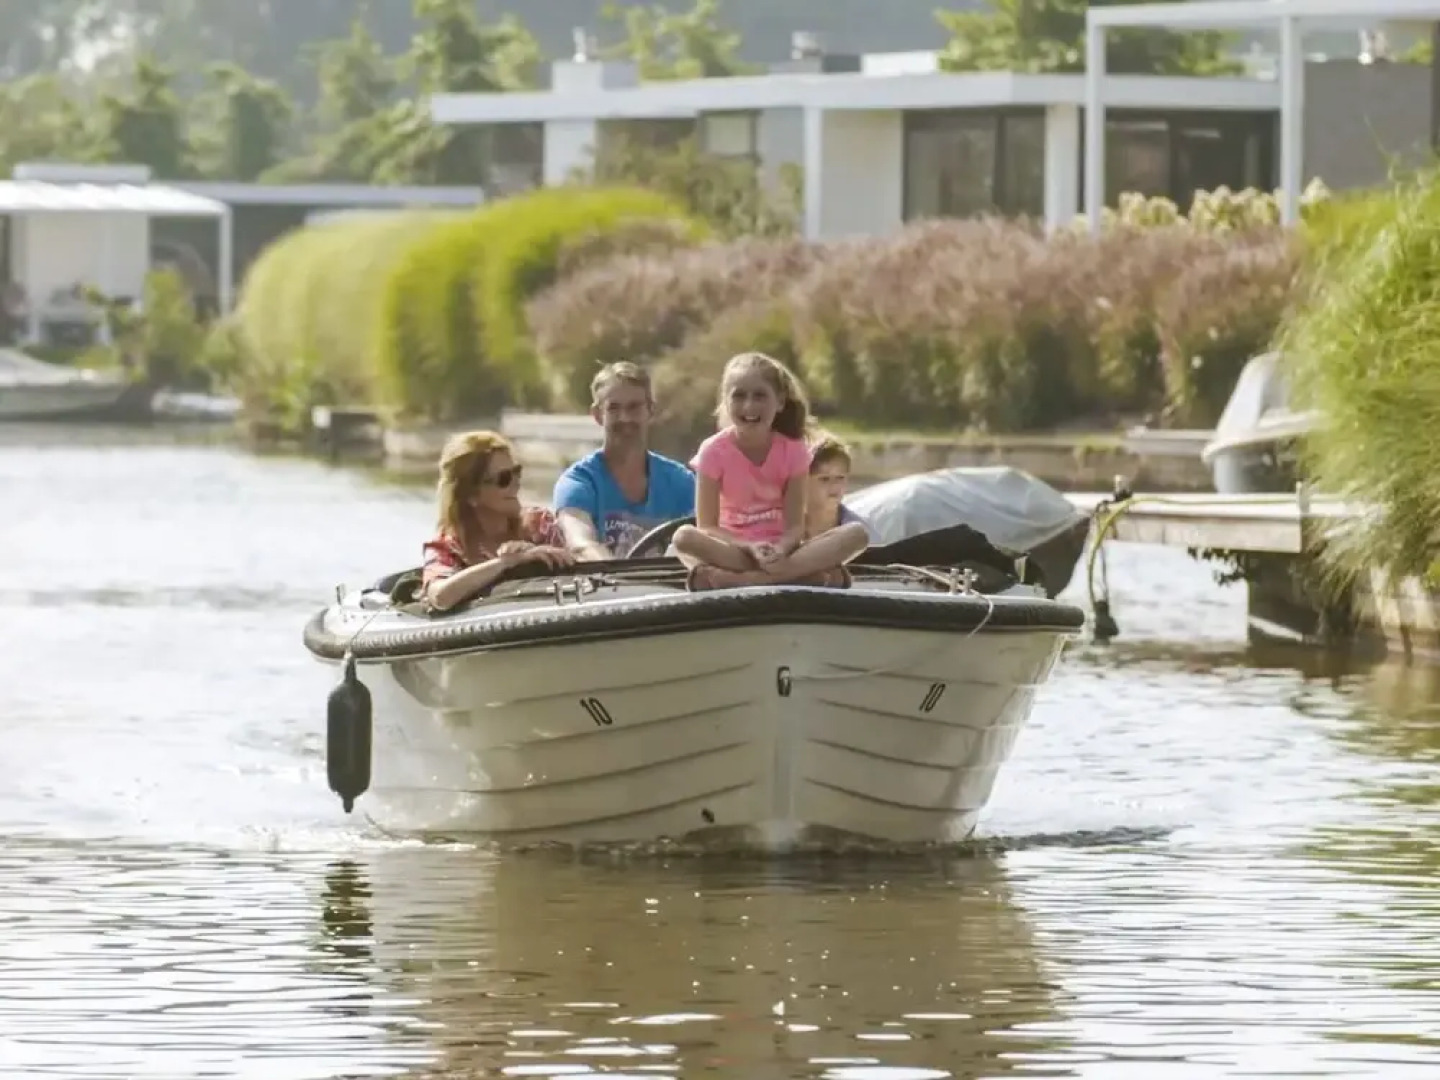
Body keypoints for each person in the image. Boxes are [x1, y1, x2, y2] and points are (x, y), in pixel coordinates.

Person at [671, 352, 869, 590]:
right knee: (683, 538)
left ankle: (751, 580)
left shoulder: (794, 451)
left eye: (760, 396)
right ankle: (802, 578)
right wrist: (748, 546)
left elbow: (795, 527)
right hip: (735, 552)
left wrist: (780, 551)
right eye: (739, 396)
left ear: (780, 402)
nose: (749, 406)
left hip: (784, 554)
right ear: (726, 401)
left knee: (857, 534)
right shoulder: (712, 452)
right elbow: (708, 527)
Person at [552, 361, 697, 560]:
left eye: (634, 408)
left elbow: (705, 537)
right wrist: (617, 577)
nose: (625, 418)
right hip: (608, 586)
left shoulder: (682, 481)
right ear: (597, 415)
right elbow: (582, 545)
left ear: (650, 410)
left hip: (671, 588)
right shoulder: (578, 482)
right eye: (614, 408)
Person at [422, 430, 575, 612]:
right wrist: (505, 563)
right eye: (504, 479)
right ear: (471, 494)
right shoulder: (447, 546)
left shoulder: (539, 524)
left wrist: (536, 557)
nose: (516, 483)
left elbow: (576, 571)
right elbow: (441, 597)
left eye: (516, 473)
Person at [805, 432, 875, 541]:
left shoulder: (862, 533)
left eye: (840, 478)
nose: (834, 485)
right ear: (804, 481)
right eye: (824, 479)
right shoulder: (784, 527)